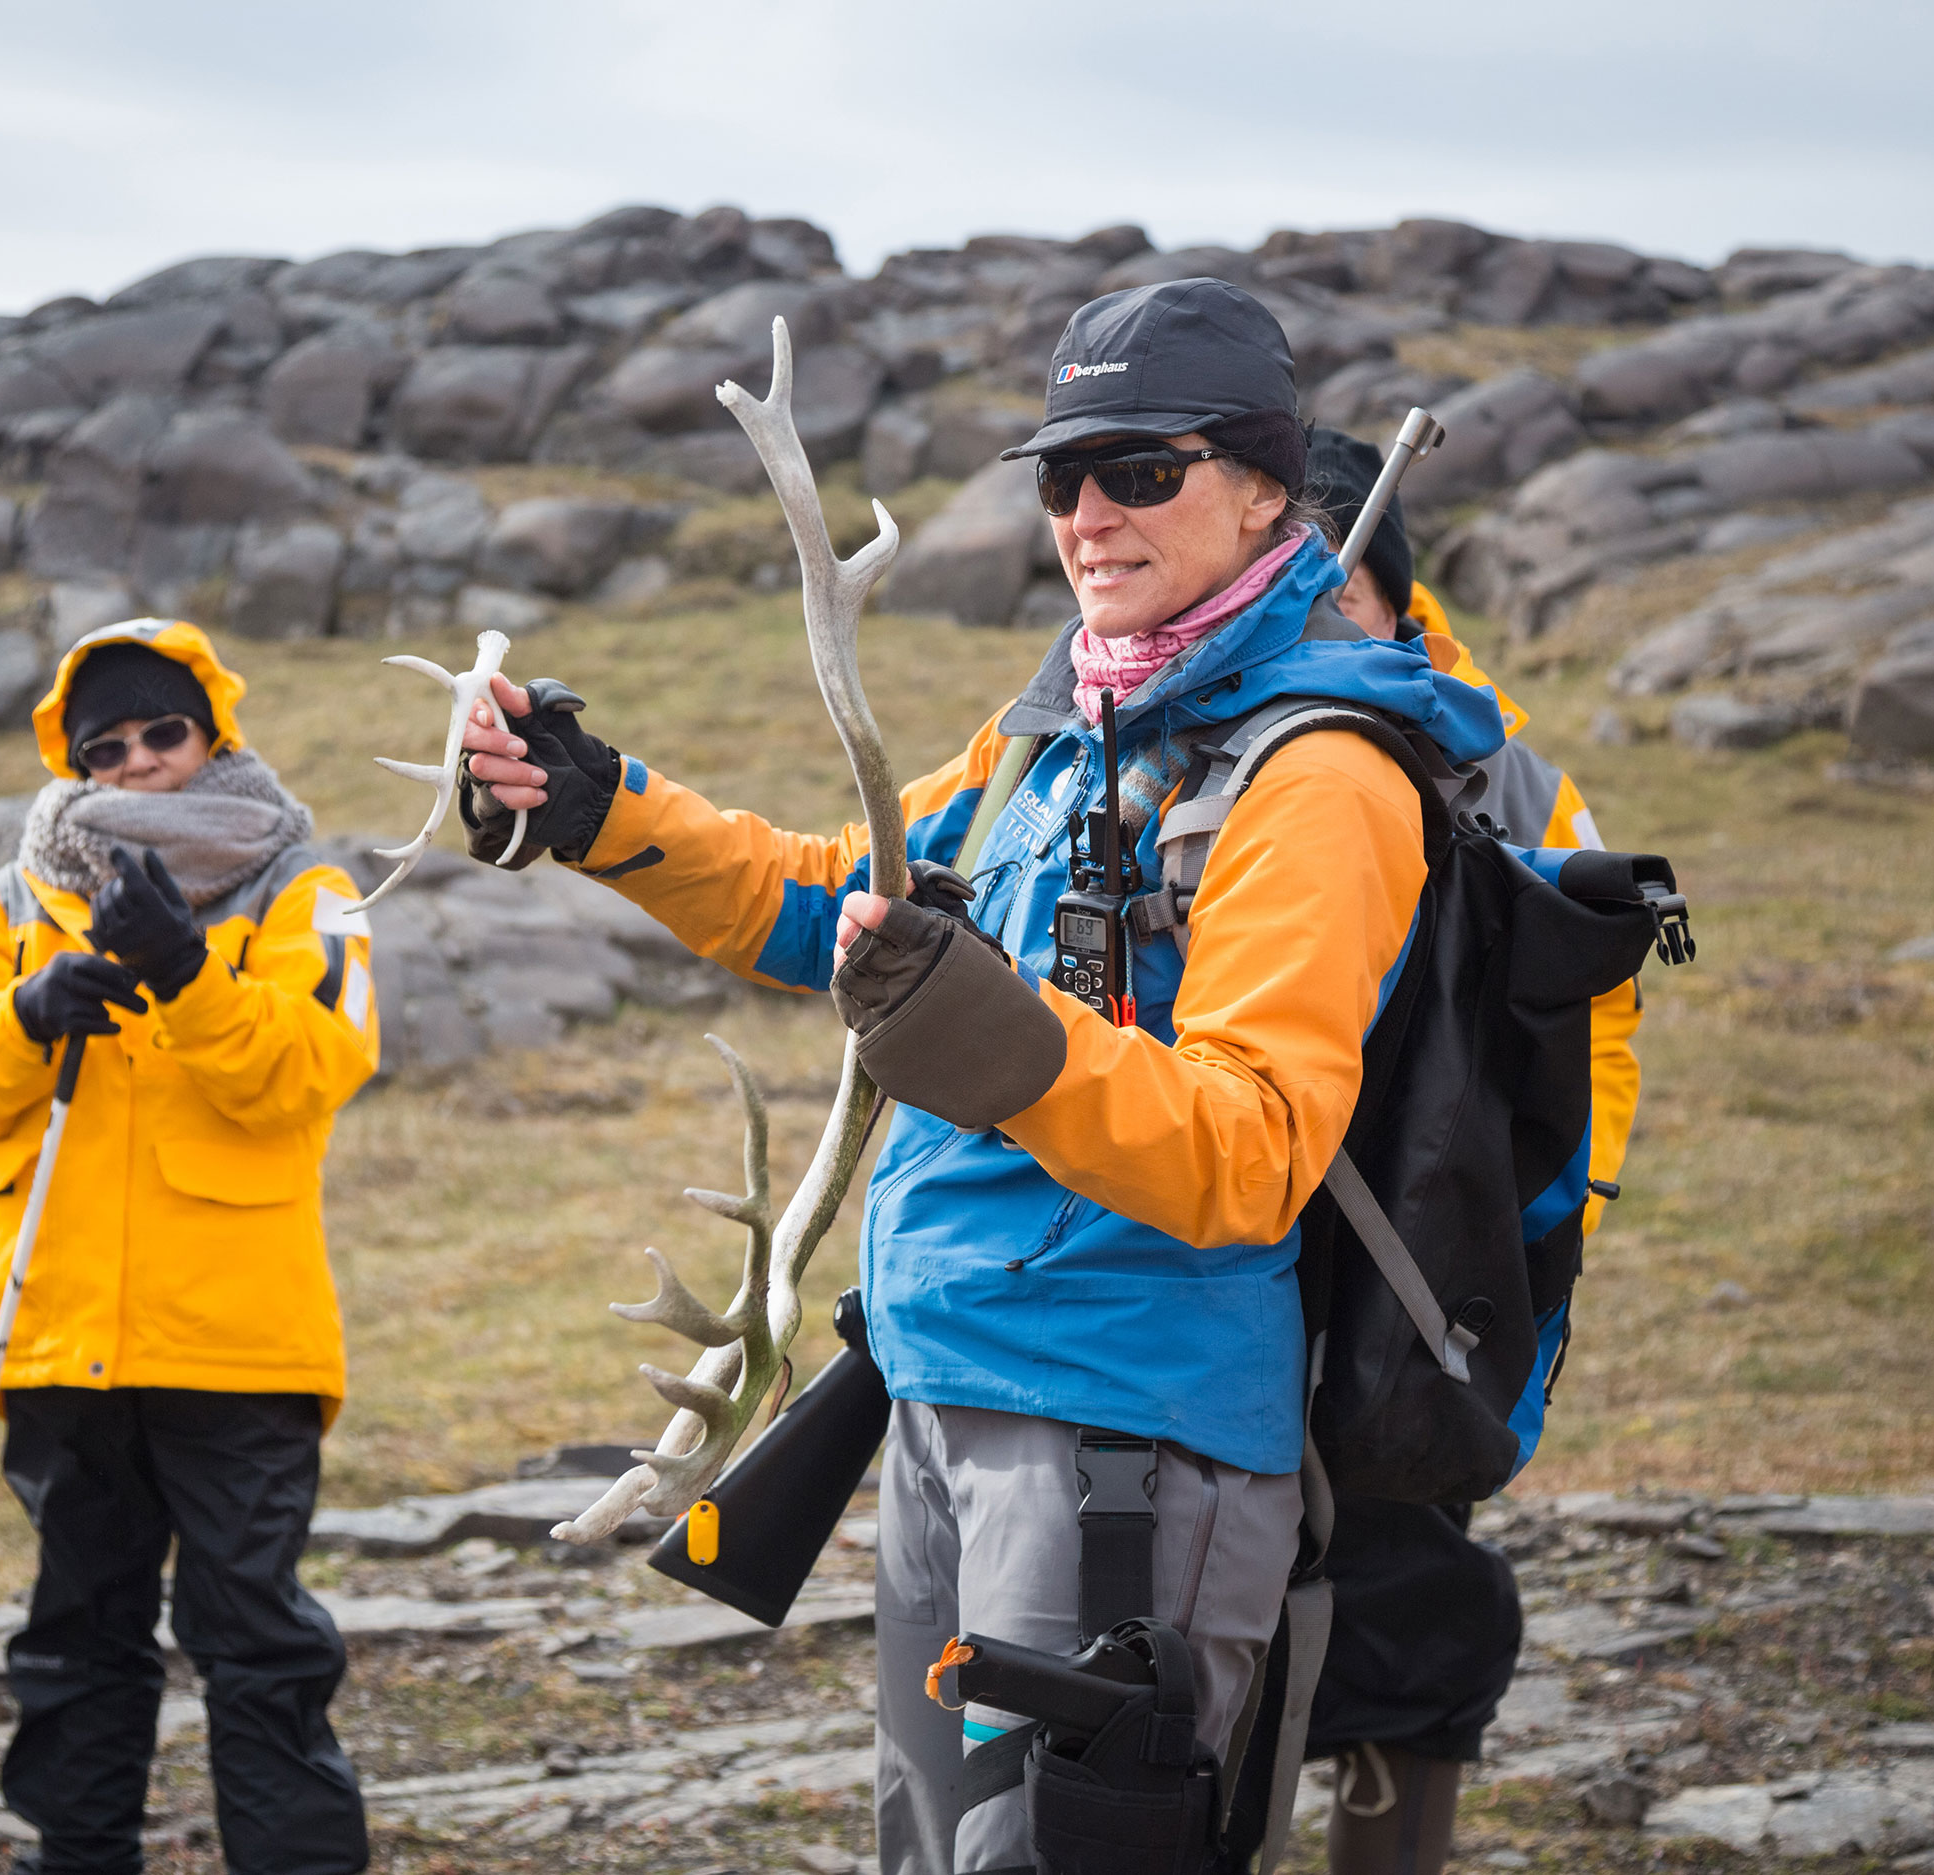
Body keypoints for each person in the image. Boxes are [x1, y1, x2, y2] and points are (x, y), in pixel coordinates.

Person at [454, 281, 1508, 1875]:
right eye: (1060, 474)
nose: (1090, 512)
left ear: (1264, 487)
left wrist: (1002, 1043)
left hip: (1124, 1438)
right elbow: (842, 899)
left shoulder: (1320, 773)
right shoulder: (1059, 724)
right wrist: (605, 809)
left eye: (1141, 470)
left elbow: (1253, 1152)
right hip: (949, 1391)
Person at [1210, 429, 1644, 1875]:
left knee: (1401, 1540)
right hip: (1227, 1222)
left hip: (1421, 1240)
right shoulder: (1187, 721)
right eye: (1290, 589)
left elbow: (1598, 1024)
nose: (1314, 621)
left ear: (1398, 598)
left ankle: (1388, 1828)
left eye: (1341, 593)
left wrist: (1561, 1207)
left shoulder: (1503, 770)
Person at [0, 619, 379, 1875]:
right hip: (57, 1335)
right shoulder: (18, 897)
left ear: (209, 732)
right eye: (106, 746)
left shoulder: (304, 891)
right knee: (76, 1635)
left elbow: (310, 1070)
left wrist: (185, 975)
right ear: (80, 760)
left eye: (163, 732)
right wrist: (23, 1012)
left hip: (238, 1343)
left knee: (258, 1641)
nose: (139, 762)